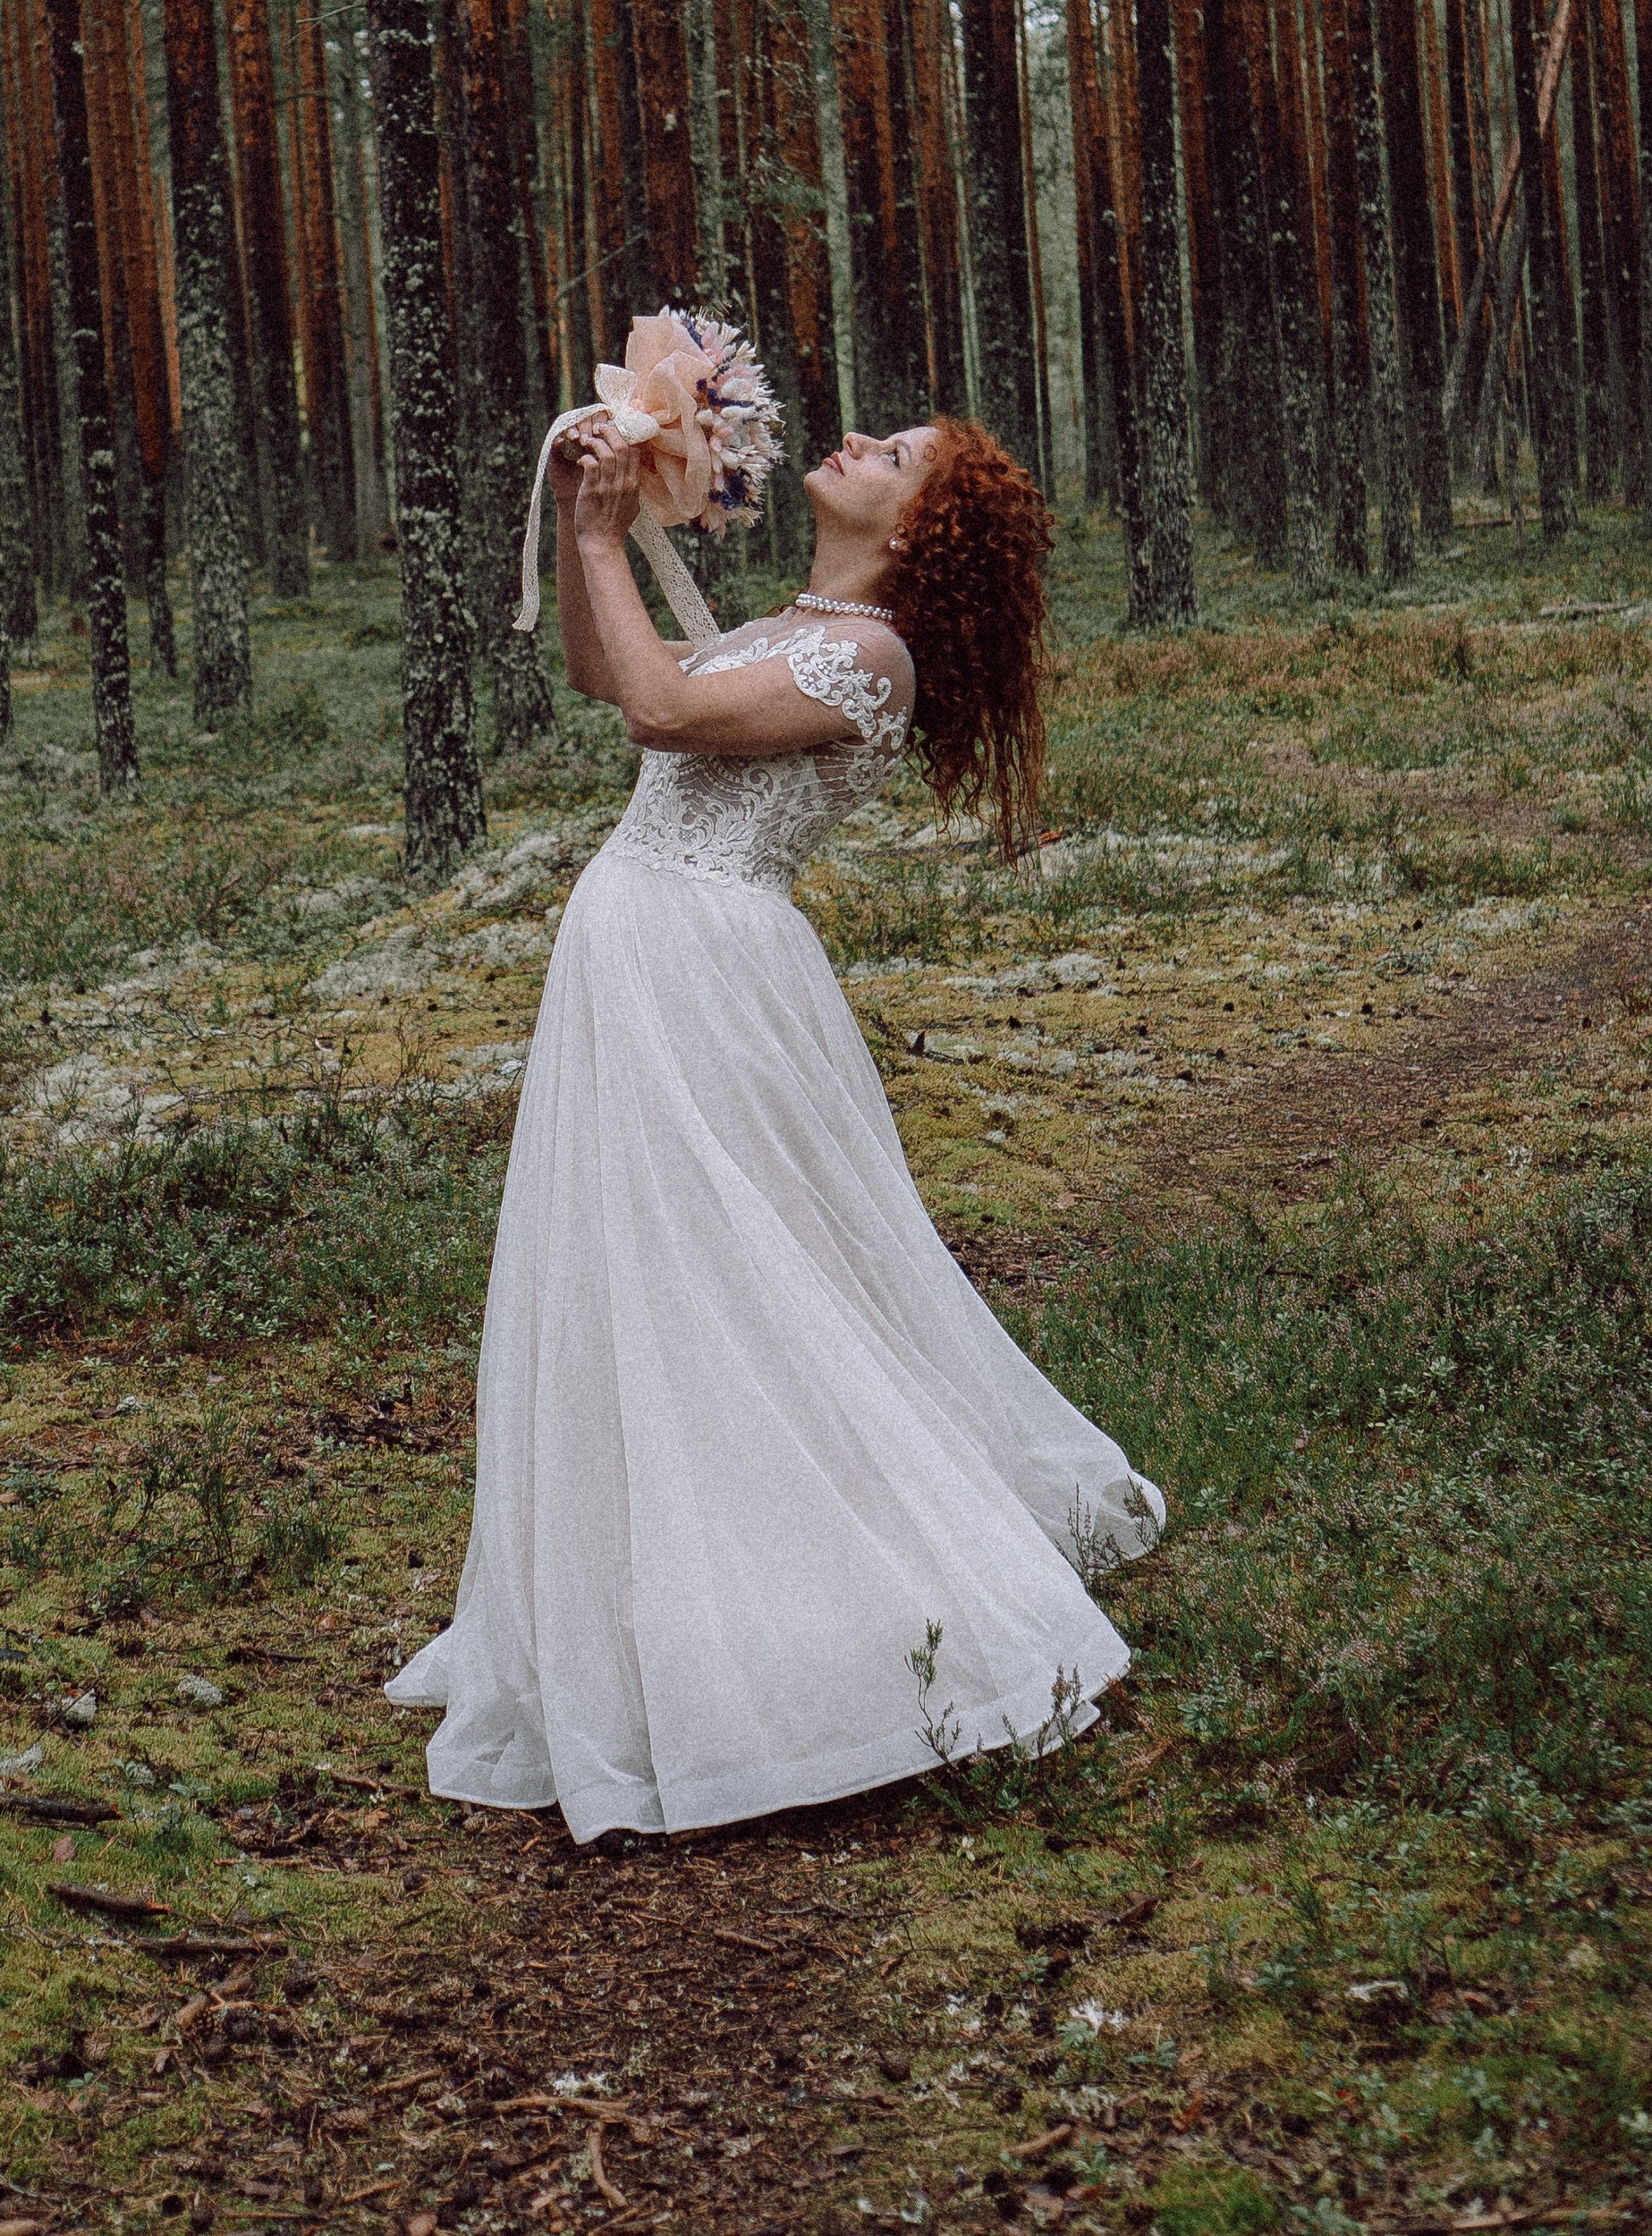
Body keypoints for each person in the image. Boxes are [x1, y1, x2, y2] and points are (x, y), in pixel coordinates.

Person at [386, 415, 1164, 1842]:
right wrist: (582, 529)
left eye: (896, 454)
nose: (857, 440)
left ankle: (830, 1613)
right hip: (638, 950)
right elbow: (602, 670)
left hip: (704, 969)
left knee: (738, 1275)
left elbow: (664, 717)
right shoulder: (786, 620)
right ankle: (669, 1598)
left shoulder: (872, 658)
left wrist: (617, 541)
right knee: (644, 1275)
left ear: (916, 526)